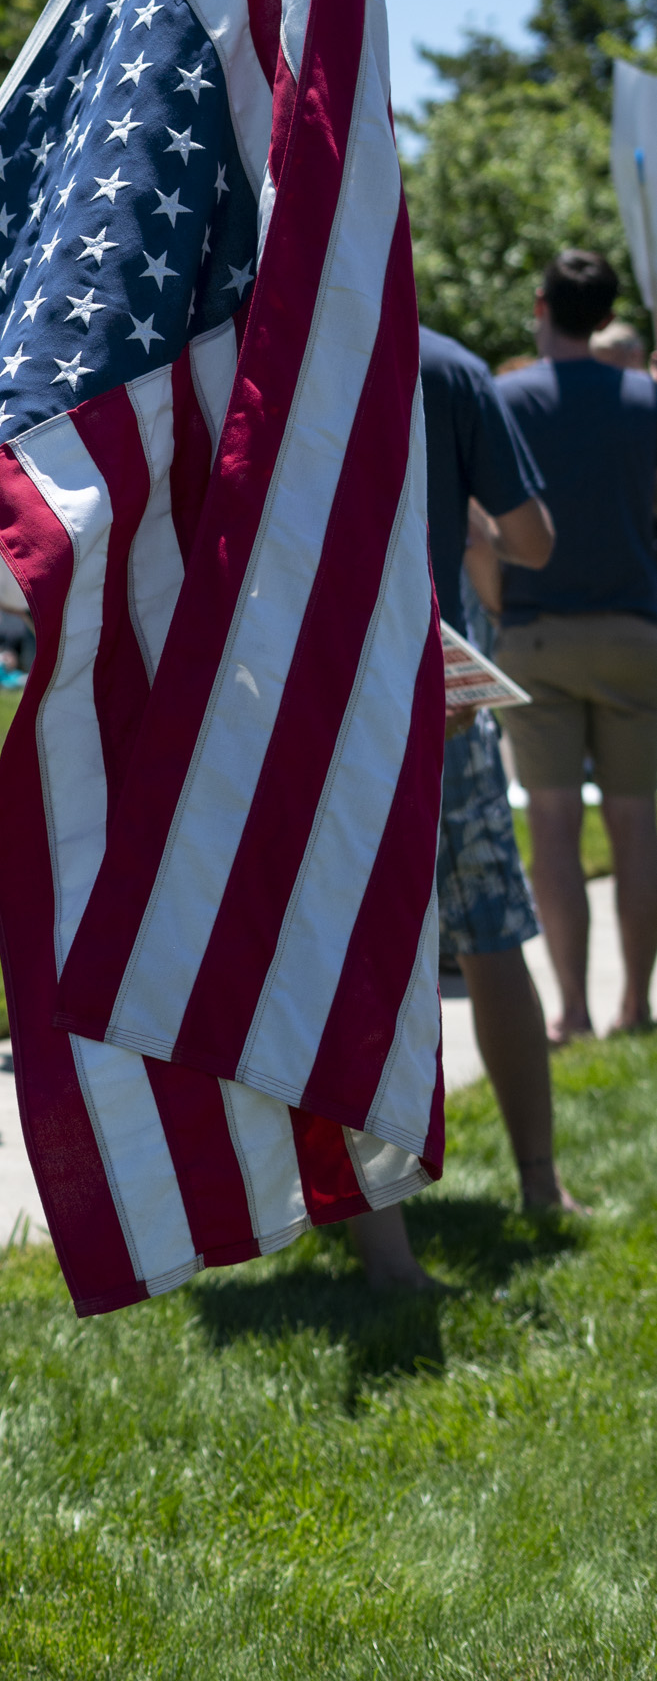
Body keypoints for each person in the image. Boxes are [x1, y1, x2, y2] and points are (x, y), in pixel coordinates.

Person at [342, 324, 572, 1291]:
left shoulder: (271, 343)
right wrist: (472, 521)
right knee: (489, 933)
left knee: (353, 962)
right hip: (440, 679)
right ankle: (540, 1186)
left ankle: (376, 1237)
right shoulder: (449, 367)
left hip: (317, 682)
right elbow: (533, 541)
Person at [495, 250, 657, 1039]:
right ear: (604, 316)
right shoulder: (643, 399)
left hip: (534, 632)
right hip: (634, 631)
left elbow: (481, 522)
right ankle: (637, 1005)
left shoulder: (507, 399)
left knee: (551, 826)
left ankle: (571, 1009)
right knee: (638, 824)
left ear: (539, 304)